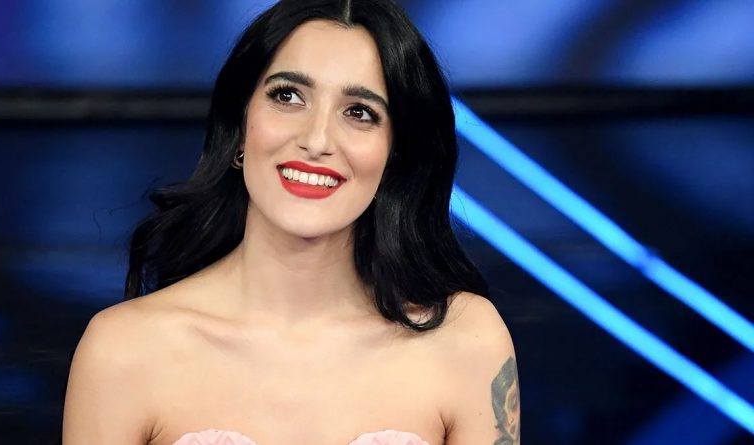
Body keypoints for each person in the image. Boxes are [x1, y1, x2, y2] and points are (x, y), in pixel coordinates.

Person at [62, 0, 519, 444]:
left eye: (359, 112)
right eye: (288, 96)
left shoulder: (466, 340)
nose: (316, 140)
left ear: (394, 156)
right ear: (240, 126)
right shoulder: (124, 350)